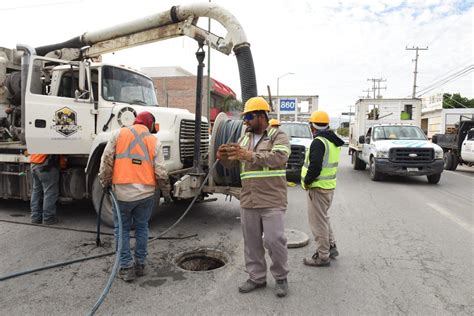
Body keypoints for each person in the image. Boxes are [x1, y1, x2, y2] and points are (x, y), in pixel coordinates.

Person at [217, 97, 291, 297]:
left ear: (261, 116)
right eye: (245, 117)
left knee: (275, 240)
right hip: (248, 199)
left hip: (272, 199)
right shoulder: (244, 139)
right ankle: (256, 277)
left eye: (249, 116)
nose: (246, 121)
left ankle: (281, 278)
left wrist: (248, 155)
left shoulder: (279, 136)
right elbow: (232, 164)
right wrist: (224, 157)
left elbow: (278, 158)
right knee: (251, 242)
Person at [99, 111, 171, 282]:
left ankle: (126, 267)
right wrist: (166, 192)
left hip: (122, 193)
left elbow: (106, 159)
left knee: (122, 229)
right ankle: (140, 264)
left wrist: (105, 182)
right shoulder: (154, 140)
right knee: (142, 227)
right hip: (146, 194)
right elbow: (161, 172)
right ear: (150, 125)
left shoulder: (118, 133)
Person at [301, 110, 344, 267]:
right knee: (323, 219)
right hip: (328, 188)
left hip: (317, 189)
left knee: (318, 223)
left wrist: (307, 182)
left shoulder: (319, 142)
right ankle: (331, 247)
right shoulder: (332, 141)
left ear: (313, 127)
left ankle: (323, 256)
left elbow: (315, 167)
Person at [30, 154, 65, 225]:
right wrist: (62, 164)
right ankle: (48, 218)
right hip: (46, 165)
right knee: (50, 193)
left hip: (34, 164)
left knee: (36, 192)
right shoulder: (53, 142)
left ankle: (35, 217)